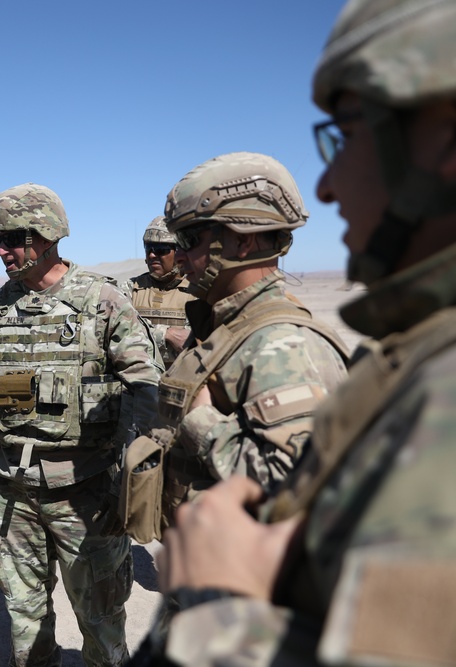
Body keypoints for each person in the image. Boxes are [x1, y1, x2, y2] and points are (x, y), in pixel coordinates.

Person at [151, 1, 456, 665]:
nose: (326, 184)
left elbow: (283, 485)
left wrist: (205, 428)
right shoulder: (412, 354)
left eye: (345, 135)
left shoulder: (286, 344)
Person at [0, 183, 162, 667]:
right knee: (24, 618)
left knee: (102, 621)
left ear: (46, 235)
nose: (2, 250)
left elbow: (147, 385)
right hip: (13, 490)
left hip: (86, 491)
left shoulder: (101, 300)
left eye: (13, 239)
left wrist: (139, 469)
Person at [121, 153, 351, 543]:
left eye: (189, 242)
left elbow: (298, 490)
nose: (181, 257)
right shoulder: (224, 325)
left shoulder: (280, 343)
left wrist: (202, 422)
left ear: (241, 242)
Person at [126, 216, 195, 369]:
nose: (152, 255)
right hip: (140, 385)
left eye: (160, 250)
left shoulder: (199, 291)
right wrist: (167, 334)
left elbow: (199, 342)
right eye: (148, 249)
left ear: (180, 251)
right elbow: (123, 333)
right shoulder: (130, 288)